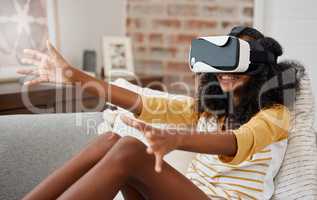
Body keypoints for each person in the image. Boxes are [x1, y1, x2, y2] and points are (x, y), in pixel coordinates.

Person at [18, 26, 301, 200]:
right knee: (111, 140)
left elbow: (238, 141)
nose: (226, 74)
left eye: (238, 64)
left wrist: (176, 139)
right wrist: (74, 76)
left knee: (130, 149)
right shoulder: (208, 110)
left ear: (260, 69)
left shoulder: (275, 115)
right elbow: (144, 104)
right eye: (223, 64)